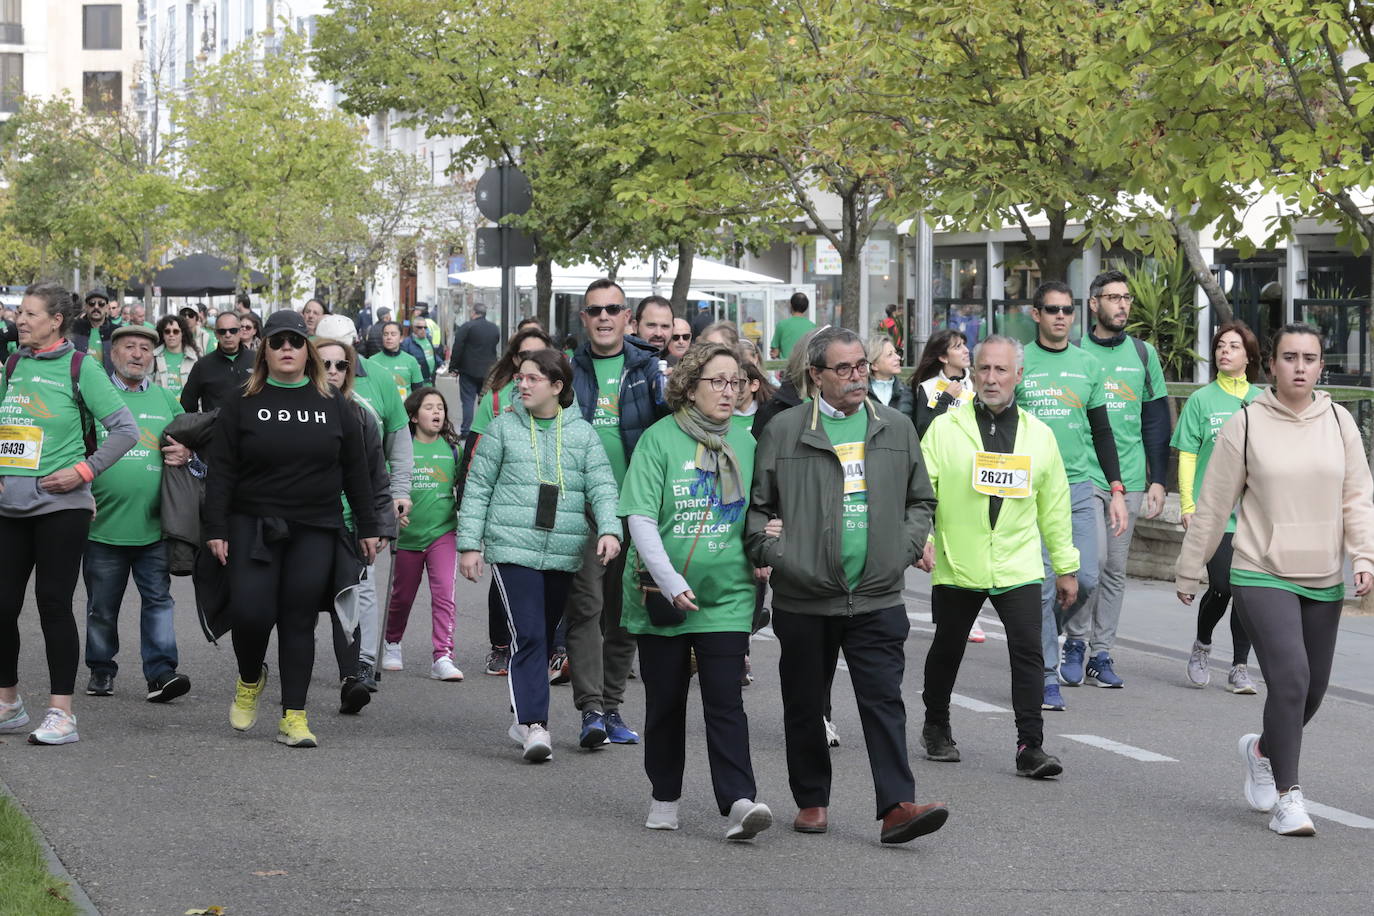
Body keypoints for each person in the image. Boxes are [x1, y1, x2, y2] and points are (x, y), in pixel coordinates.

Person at [746, 326, 947, 845]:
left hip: (877, 593)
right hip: (806, 597)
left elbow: (920, 500)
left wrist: (901, 549)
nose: (858, 376)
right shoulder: (784, 429)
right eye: (845, 368)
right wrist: (779, 556)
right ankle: (812, 800)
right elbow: (756, 511)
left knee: (883, 701)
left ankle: (897, 806)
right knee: (805, 702)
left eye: (862, 365)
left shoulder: (897, 427)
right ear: (815, 375)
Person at [1175, 323, 1374, 837]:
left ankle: (1262, 749)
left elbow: (1357, 496)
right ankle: (1289, 797)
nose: (1301, 367)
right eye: (1290, 357)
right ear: (1273, 366)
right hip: (1260, 569)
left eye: (1310, 358)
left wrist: (1364, 555)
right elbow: (1215, 503)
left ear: (1322, 365)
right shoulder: (1246, 423)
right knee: (1289, 680)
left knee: (1311, 691)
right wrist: (1191, 566)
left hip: (1323, 571)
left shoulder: (1339, 421)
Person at [205, 310, 382, 747]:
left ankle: (294, 716)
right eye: (278, 341)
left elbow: (355, 470)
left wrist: (367, 524)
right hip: (252, 524)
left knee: (298, 619)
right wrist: (216, 526)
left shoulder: (333, 403)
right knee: (251, 612)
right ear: (264, 348)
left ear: (309, 351)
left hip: (316, 525)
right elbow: (221, 470)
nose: (287, 348)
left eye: (296, 341)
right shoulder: (241, 399)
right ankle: (250, 678)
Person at [621, 342, 773, 840]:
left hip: (728, 596)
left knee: (725, 702)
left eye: (738, 382)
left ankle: (739, 801)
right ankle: (665, 795)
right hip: (661, 596)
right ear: (689, 386)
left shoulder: (749, 444)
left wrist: (769, 541)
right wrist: (670, 580)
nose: (730, 391)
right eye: (719, 381)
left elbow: (763, 513)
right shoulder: (658, 440)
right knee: (665, 702)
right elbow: (640, 517)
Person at [917, 335, 1077, 779]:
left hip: (1017, 562)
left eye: (1001, 370)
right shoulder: (946, 428)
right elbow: (921, 491)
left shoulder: (1039, 435)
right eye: (983, 369)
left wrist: (1065, 566)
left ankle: (1031, 746)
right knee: (947, 649)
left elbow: (1055, 505)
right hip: (958, 559)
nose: (990, 378)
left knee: (1028, 653)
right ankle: (936, 726)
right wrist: (921, 538)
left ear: (1018, 376)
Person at [458, 349, 620, 762]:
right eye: (520, 377)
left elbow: (602, 486)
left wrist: (609, 529)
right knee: (527, 635)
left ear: (557, 387)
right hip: (512, 549)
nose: (522, 385)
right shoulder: (501, 429)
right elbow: (477, 488)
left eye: (533, 378)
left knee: (543, 639)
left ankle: (524, 715)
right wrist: (470, 545)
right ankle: (534, 725)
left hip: (564, 551)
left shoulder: (581, 434)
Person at [0, 282, 139, 745]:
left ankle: (62, 713)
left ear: (56, 321)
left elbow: (125, 429)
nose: (21, 319)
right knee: (3, 607)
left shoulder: (82, 366)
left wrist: (83, 470)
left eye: (31, 313)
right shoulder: (14, 364)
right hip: (9, 507)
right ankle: (8, 703)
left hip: (62, 507)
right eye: (20, 312)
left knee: (53, 605)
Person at [1014, 281, 1126, 712]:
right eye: (1052, 309)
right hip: (1031, 487)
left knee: (1089, 576)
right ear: (1036, 314)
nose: (1061, 316)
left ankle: (1042, 635)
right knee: (1044, 585)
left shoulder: (1088, 364)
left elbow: (1102, 430)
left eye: (1067, 310)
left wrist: (1115, 487)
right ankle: (1044, 675)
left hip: (1079, 486)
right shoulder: (1022, 361)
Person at [566, 278, 667, 747]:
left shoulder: (650, 369)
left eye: (613, 309)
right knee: (586, 608)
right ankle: (589, 711)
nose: (604, 317)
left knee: (626, 612)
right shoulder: (567, 370)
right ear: (583, 318)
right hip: (581, 509)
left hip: (637, 508)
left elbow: (671, 427)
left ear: (627, 318)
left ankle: (611, 707)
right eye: (595, 310)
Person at [83, 324, 194, 703]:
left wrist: (189, 455)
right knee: (101, 606)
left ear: (153, 357)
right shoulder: (95, 397)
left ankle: (161, 673)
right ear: (112, 354)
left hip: (154, 527)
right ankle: (101, 669)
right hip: (102, 526)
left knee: (159, 601)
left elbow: (193, 447)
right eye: (129, 347)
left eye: (145, 349)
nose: (137, 354)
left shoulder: (166, 401)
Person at [1077, 269, 1171, 688]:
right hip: (1083, 475)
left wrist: (1158, 479)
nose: (1123, 305)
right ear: (1094, 304)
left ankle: (1101, 653)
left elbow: (1155, 419)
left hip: (1130, 479)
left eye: (1127, 298)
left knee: (1115, 568)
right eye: (1113, 298)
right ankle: (1074, 642)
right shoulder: (1075, 351)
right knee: (1088, 565)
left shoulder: (1144, 354)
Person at [315, 314, 414, 692]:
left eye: (344, 356)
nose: (337, 366)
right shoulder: (301, 381)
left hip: (362, 506)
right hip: (313, 510)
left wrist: (399, 492)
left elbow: (397, 441)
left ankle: (363, 662)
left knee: (363, 586)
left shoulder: (380, 379)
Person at [462, 326, 557, 678]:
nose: (529, 363)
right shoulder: (498, 397)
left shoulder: (565, 398)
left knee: (550, 575)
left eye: (539, 354)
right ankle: (501, 646)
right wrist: (467, 501)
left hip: (550, 501)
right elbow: (474, 452)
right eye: (522, 356)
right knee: (507, 574)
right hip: (508, 501)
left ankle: (548, 646)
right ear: (513, 360)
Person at [1175, 322, 1262, 693]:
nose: (1224, 352)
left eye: (1233, 346)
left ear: (1249, 357)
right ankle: (1202, 645)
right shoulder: (1201, 400)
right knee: (1224, 585)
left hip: (1254, 515)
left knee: (1248, 590)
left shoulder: (1261, 401)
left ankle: (1240, 666)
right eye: (1220, 346)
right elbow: (1188, 453)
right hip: (1213, 513)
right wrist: (1187, 502)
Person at [382, 386, 464, 681]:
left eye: (440, 407)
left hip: (443, 533)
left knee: (445, 595)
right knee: (402, 597)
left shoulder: (454, 449)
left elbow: (465, 489)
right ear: (414, 416)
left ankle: (443, 656)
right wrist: (391, 512)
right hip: (407, 538)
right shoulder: (401, 449)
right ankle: (392, 643)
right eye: (429, 407)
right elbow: (386, 487)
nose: (437, 412)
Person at [180, 312, 252, 413]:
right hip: (215, 427)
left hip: (251, 426)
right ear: (216, 334)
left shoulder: (256, 360)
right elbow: (187, 405)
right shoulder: (202, 366)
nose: (228, 335)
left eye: (233, 330)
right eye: (222, 331)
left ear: (240, 332)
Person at [448, 303, 501, 437]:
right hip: (488, 371)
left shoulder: (467, 326)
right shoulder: (494, 328)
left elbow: (458, 347)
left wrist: (453, 366)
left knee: (467, 401)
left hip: (468, 370)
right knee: (486, 400)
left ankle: (466, 430)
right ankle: (486, 428)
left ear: (473, 312)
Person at [910, 328, 974, 438]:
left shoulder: (976, 383)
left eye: (964, 344)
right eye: (958, 347)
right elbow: (925, 432)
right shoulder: (927, 387)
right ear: (943, 357)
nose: (966, 350)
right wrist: (945, 398)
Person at [371, 321, 425, 401]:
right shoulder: (372, 361)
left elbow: (418, 391)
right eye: (385, 334)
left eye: (393, 334)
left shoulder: (411, 360)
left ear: (401, 338)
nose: (389, 337)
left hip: (405, 410)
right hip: (381, 411)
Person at [153, 314, 200, 399]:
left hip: (187, 410)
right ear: (162, 335)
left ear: (183, 333)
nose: (171, 334)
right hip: (163, 408)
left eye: (176, 331)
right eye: (167, 331)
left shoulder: (195, 358)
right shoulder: (153, 357)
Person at [866, 336, 912, 415]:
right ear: (874, 365)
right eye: (890, 355)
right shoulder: (862, 393)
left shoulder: (907, 392)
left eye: (896, 353)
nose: (898, 357)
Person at [72, 290, 115, 365]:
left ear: (107, 308)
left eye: (101, 304)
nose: (96, 307)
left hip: (106, 376)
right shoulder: (74, 327)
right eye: (92, 303)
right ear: (86, 307)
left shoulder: (116, 331)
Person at [770, 292, 816, 359]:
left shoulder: (782, 325)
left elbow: (774, 352)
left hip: (786, 367)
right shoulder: (812, 327)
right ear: (806, 307)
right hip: (804, 367)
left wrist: (776, 354)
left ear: (791, 305)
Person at [400, 318, 444, 385]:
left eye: (425, 327)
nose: (423, 329)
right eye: (420, 327)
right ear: (413, 328)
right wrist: (413, 367)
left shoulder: (429, 339)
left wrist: (441, 363)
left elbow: (433, 354)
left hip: (431, 380)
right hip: (417, 382)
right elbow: (402, 361)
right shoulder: (407, 342)